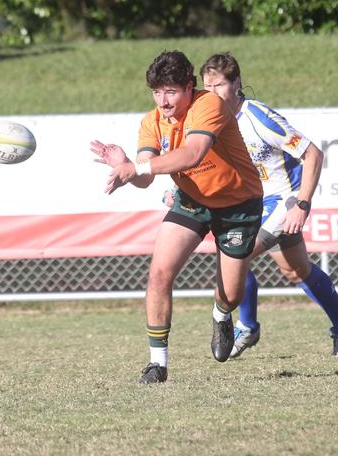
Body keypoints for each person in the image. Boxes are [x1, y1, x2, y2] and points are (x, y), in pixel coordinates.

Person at [90, 50, 263, 384]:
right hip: (193, 200)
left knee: (230, 293)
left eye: (170, 91)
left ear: (189, 87)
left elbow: (192, 154)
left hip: (239, 204)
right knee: (159, 273)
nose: (163, 101)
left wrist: (137, 166)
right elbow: (144, 178)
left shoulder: (208, 105)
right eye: (157, 92)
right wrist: (125, 164)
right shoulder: (151, 121)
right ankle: (157, 364)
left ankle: (221, 314)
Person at [198, 52, 338, 358]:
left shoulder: (258, 117)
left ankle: (247, 326)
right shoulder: (212, 121)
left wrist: (301, 204)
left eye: (218, 85)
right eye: (206, 87)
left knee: (237, 256)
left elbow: (313, 153)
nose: (211, 94)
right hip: (254, 204)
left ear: (236, 83)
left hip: (284, 201)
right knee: (296, 270)